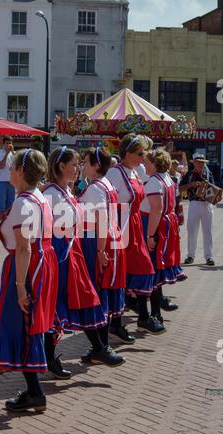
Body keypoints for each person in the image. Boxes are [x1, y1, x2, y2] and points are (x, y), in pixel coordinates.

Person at [0, 149, 59, 413]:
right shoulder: (39, 198)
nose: (8, 171)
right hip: (40, 263)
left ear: (22, 172)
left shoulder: (24, 203)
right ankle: (1, 359)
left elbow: (24, 248)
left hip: (26, 267)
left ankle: (33, 391)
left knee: (22, 323)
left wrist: (21, 287)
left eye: (12, 168)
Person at [44, 146, 125, 376]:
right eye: (74, 164)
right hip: (59, 254)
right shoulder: (50, 193)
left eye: (81, 163)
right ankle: (56, 357)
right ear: (61, 166)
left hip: (72, 253)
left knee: (85, 299)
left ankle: (98, 348)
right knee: (57, 306)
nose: (78, 168)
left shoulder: (67, 191)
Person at [107, 134, 165, 335]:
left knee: (141, 269)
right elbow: (108, 203)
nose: (143, 157)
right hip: (121, 227)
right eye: (140, 153)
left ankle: (139, 316)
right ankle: (128, 319)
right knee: (125, 273)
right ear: (128, 153)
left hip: (135, 225)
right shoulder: (114, 174)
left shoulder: (136, 171)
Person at [79, 147, 134, 353]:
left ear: (96, 165)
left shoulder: (95, 188)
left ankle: (101, 346)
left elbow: (100, 219)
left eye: (86, 162)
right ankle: (101, 345)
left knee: (99, 290)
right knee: (105, 291)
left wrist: (100, 251)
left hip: (98, 241)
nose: (83, 166)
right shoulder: (105, 184)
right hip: (111, 238)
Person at [140, 148, 187, 323]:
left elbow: (156, 209)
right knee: (156, 270)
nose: (144, 164)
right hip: (167, 223)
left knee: (151, 270)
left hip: (155, 225)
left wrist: (150, 235)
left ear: (156, 163)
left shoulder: (153, 181)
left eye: (147, 162)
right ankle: (157, 310)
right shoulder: (167, 178)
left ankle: (153, 314)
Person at [180, 153, 218, 266]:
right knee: (192, 231)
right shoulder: (189, 175)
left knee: (208, 231)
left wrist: (215, 195)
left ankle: (209, 257)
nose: (200, 164)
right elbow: (180, 188)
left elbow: (214, 189)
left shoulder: (208, 173)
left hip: (207, 204)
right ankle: (190, 256)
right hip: (194, 203)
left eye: (202, 162)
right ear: (194, 163)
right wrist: (191, 184)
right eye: (198, 162)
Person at [0, 137, 16, 225]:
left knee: (10, 205)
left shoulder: (14, 154)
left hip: (12, 182)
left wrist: (12, 153)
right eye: (7, 143)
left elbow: (17, 166)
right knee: (1, 205)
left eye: (10, 143)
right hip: (1, 181)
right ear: (3, 144)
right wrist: (7, 154)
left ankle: (7, 224)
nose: (8, 145)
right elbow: (1, 166)